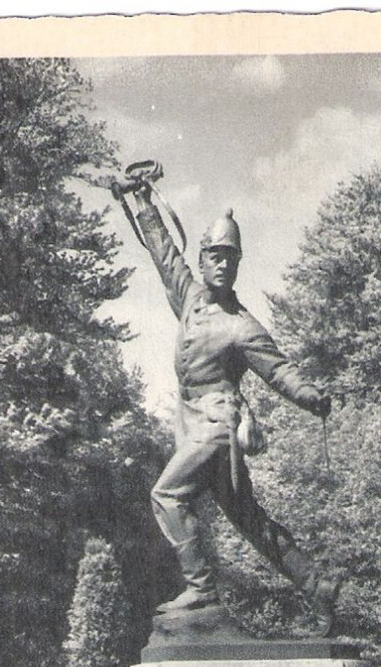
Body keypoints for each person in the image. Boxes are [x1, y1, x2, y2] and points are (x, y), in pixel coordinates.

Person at [134, 182, 340, 634]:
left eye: (232, 258)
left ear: (238, 265)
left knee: (166, 495)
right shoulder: (188, 297)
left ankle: (201, 587)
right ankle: (316, 583)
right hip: (191, 424)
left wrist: (310, 396)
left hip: (218, 425)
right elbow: (164, 253)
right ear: (203, 257)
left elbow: (279, 369)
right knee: (249, 520)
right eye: (216, 255)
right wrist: (144, 203)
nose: (224, 264)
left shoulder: (242, 326)